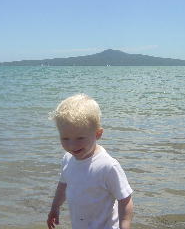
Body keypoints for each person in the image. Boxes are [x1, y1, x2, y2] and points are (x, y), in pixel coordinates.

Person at [47, 94, 133, 229]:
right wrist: (55, 207)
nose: (72, 145)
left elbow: (125, 199)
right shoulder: (67, 159)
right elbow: (63, 185)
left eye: (80, 138)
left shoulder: (107, 166)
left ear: (97, 134)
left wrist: (125, 225)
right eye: (65, 138)